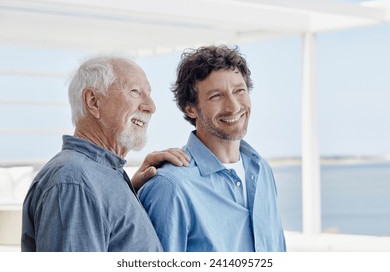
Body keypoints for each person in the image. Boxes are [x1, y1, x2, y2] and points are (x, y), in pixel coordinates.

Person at [21, 55, 189, 252]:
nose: (151, 107)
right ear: (93, 101)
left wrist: (128, 192)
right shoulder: (74, 182)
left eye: (148, 93)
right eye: (135, 92)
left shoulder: (97, 176)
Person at [138, 45, 286, 252]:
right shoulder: (170, 187)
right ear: (190, 109)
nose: (233, 106)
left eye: (239, 91)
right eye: (216, 96)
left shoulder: (262, 171)